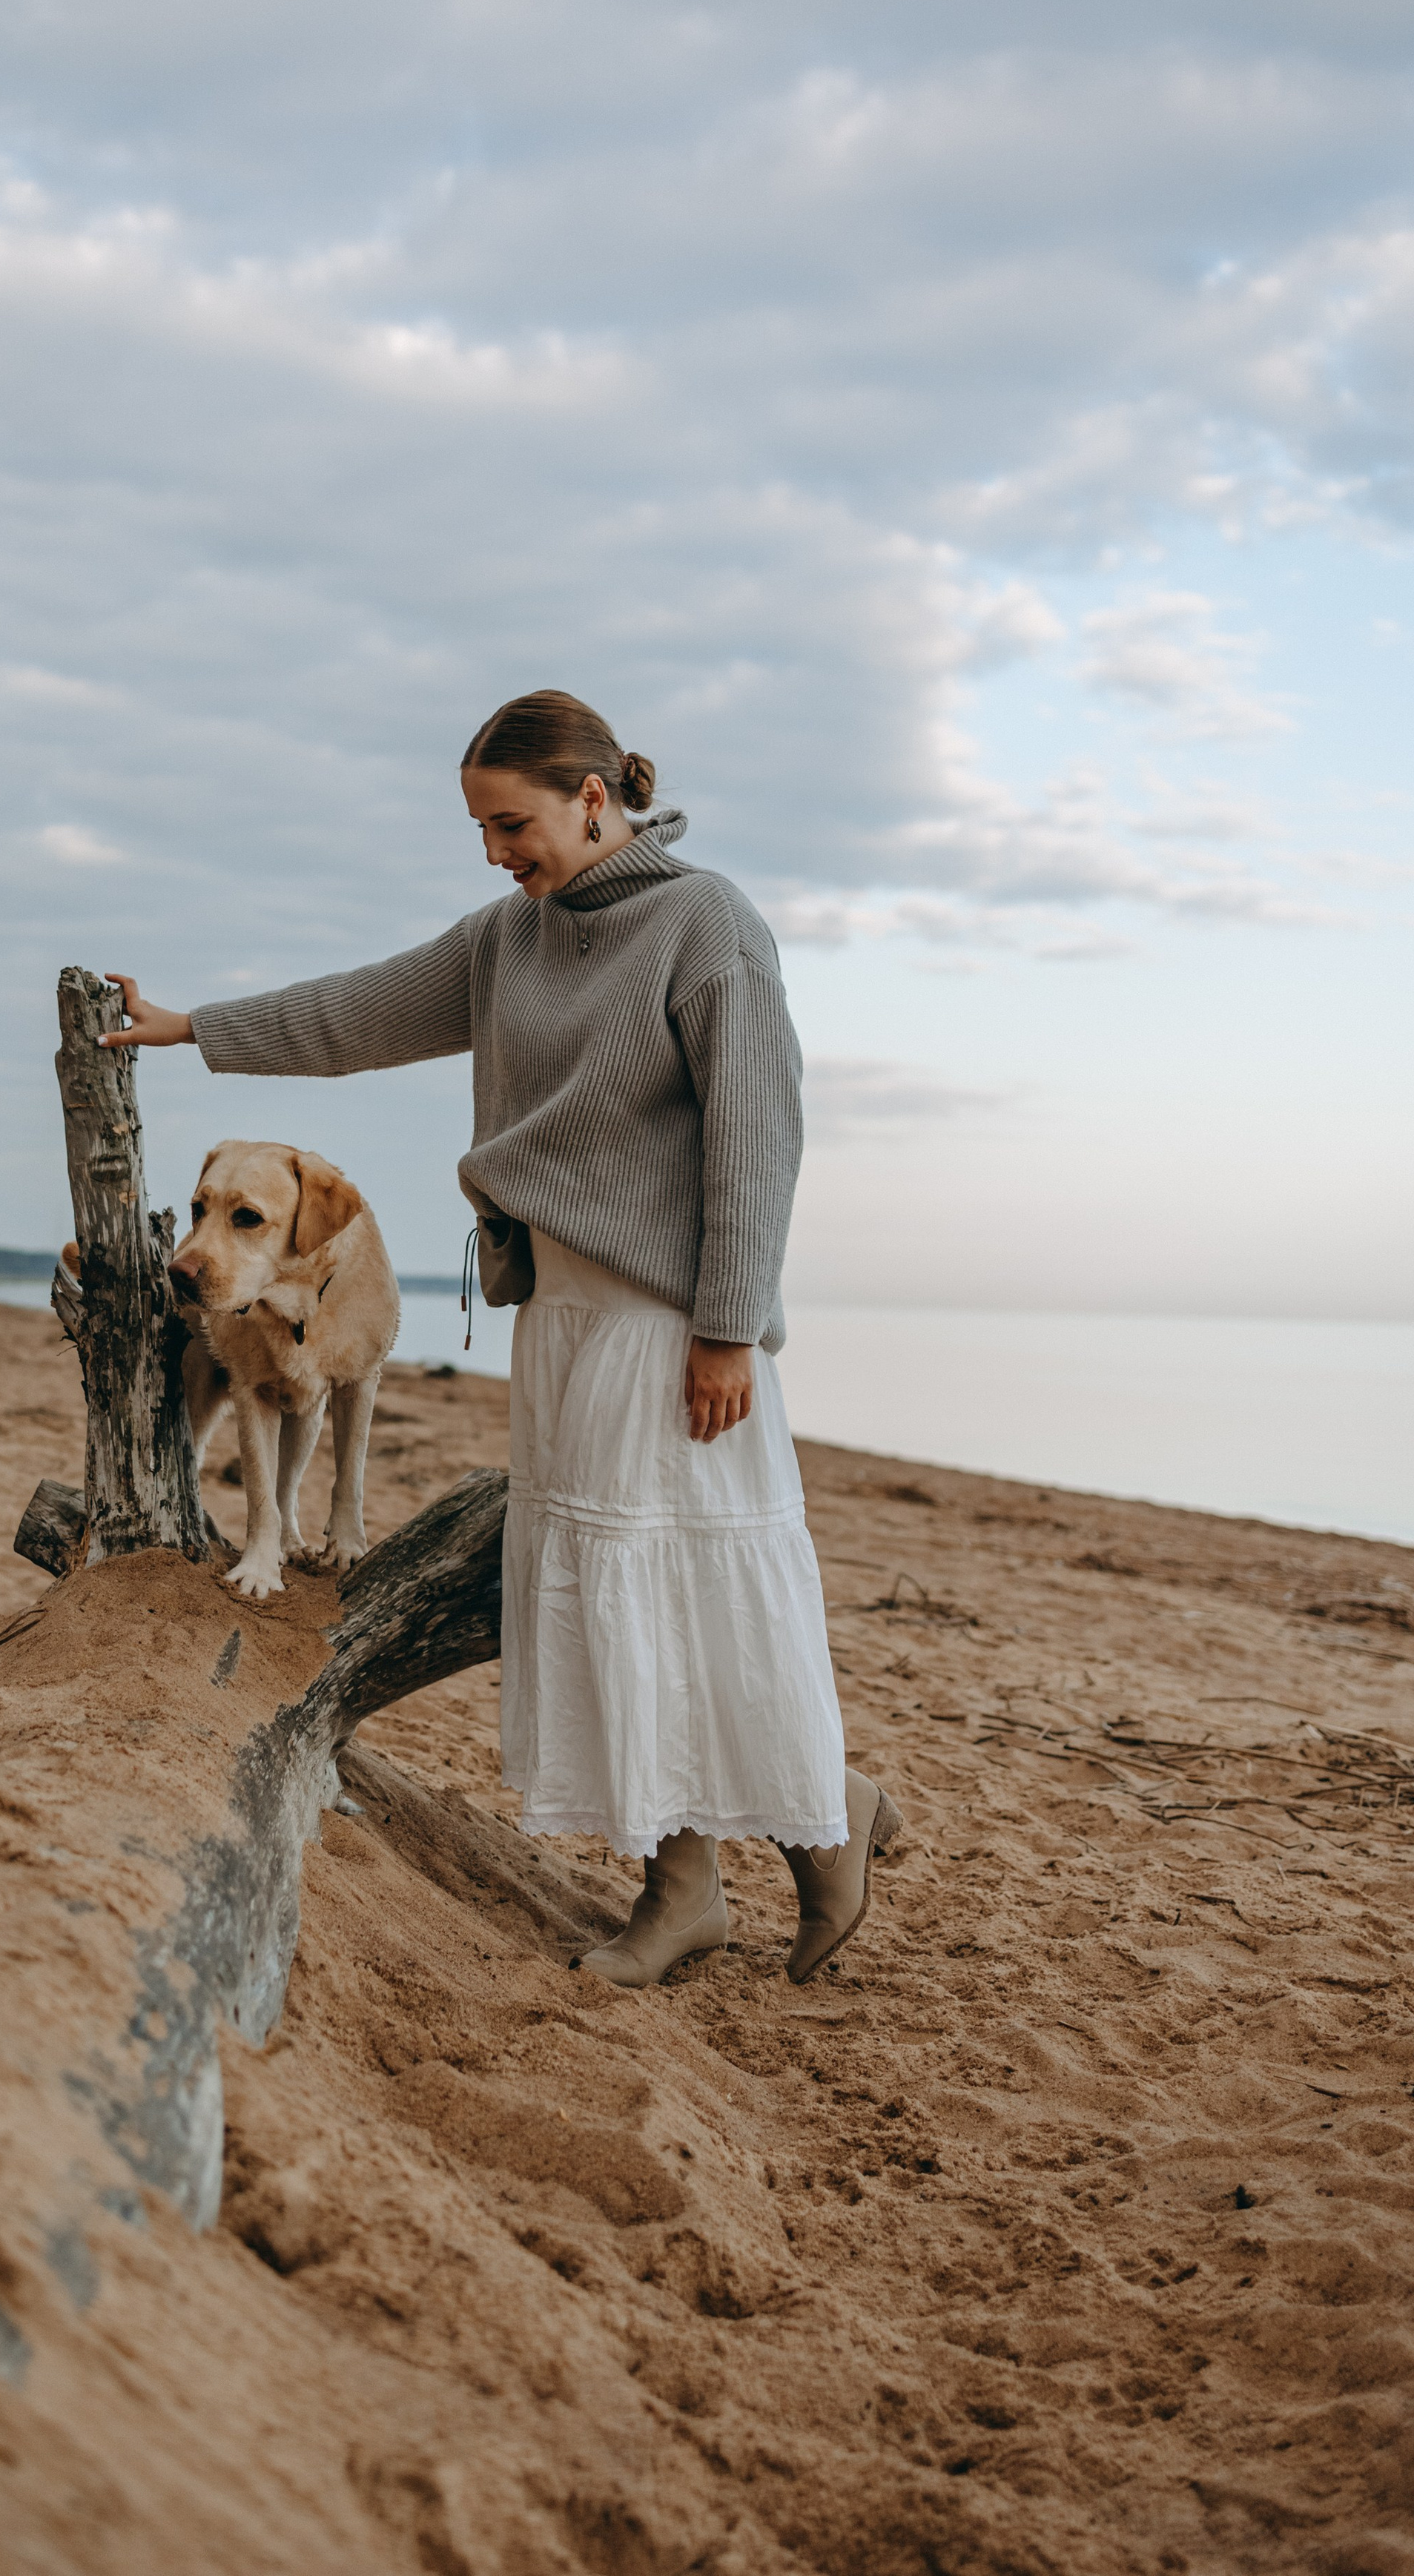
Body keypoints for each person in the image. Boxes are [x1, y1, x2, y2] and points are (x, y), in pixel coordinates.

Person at [102, 689, 900, 1989]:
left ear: (597, 798)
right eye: (479, 829)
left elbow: (761, 1138)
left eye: (511, 823)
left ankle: (791, 1839)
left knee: (681, 1587)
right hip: (559, 1315)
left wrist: (729, 1330)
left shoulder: (710, 926)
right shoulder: (509, 941)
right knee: (617, 1600)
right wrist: (192, 1028)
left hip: (670, 1320)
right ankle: (731, 1865)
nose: (495, 853)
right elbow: (360, 1014)